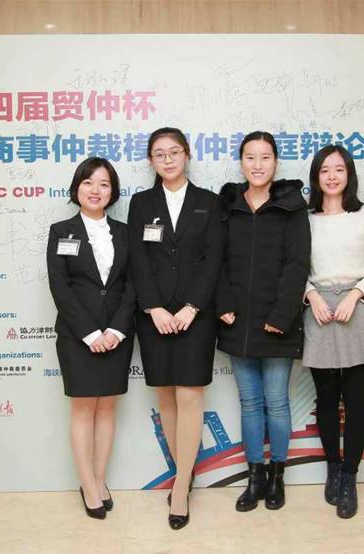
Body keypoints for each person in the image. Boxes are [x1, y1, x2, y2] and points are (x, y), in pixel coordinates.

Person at [127, 127, 222, 530]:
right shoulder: (141, 203)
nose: (167, 159)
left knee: (189, 396)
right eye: (159, 154)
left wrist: (191, 307)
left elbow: (214, 258)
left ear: (187, 155)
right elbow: (137, 257)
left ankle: (181, 487)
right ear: (151, 160)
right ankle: (184, 470)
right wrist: (153, 308)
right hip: (154, 317)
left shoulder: (209, 202)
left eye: (174, 152)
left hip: (194, 317)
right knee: (166, 396)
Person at [217, 131, 310, 512]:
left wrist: (281, 315)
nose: (258, 165)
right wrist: (223, 303)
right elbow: (216, 259)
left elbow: (298, 263)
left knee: (276, 402)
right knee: (250, 402)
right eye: (250, 158)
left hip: (277, 321)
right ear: (241, 162)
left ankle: (277, 477)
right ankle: (254, 476)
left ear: (276, 162)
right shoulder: (228, 204)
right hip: (236, 319)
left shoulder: (291, 206)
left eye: (265, 157)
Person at [303, 144, 364, 519]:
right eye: (325, 170)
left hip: (357, 310)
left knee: (355, 400)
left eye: (339, 169)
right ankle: (332, 467)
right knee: (326, 400)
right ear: (316, 176)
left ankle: (349, 477)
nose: (332, 176)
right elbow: (292, 266)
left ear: (349, 174)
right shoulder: (305, 220)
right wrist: (311, 295)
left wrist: (356, 295)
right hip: (319, 311)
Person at [46, 157, 136, 520]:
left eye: (103, 184)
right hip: (76, 336)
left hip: (117, 335)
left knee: (108, 408)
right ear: (76, 188)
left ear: (112, 192)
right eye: (88, 182)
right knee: (84, 409)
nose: (95, 190)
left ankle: (99, 480)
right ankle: (87, 484)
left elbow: (133, 285)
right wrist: (89, 333)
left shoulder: (126, 233)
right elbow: (60, 287)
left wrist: (115, 330)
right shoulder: (61, 231)